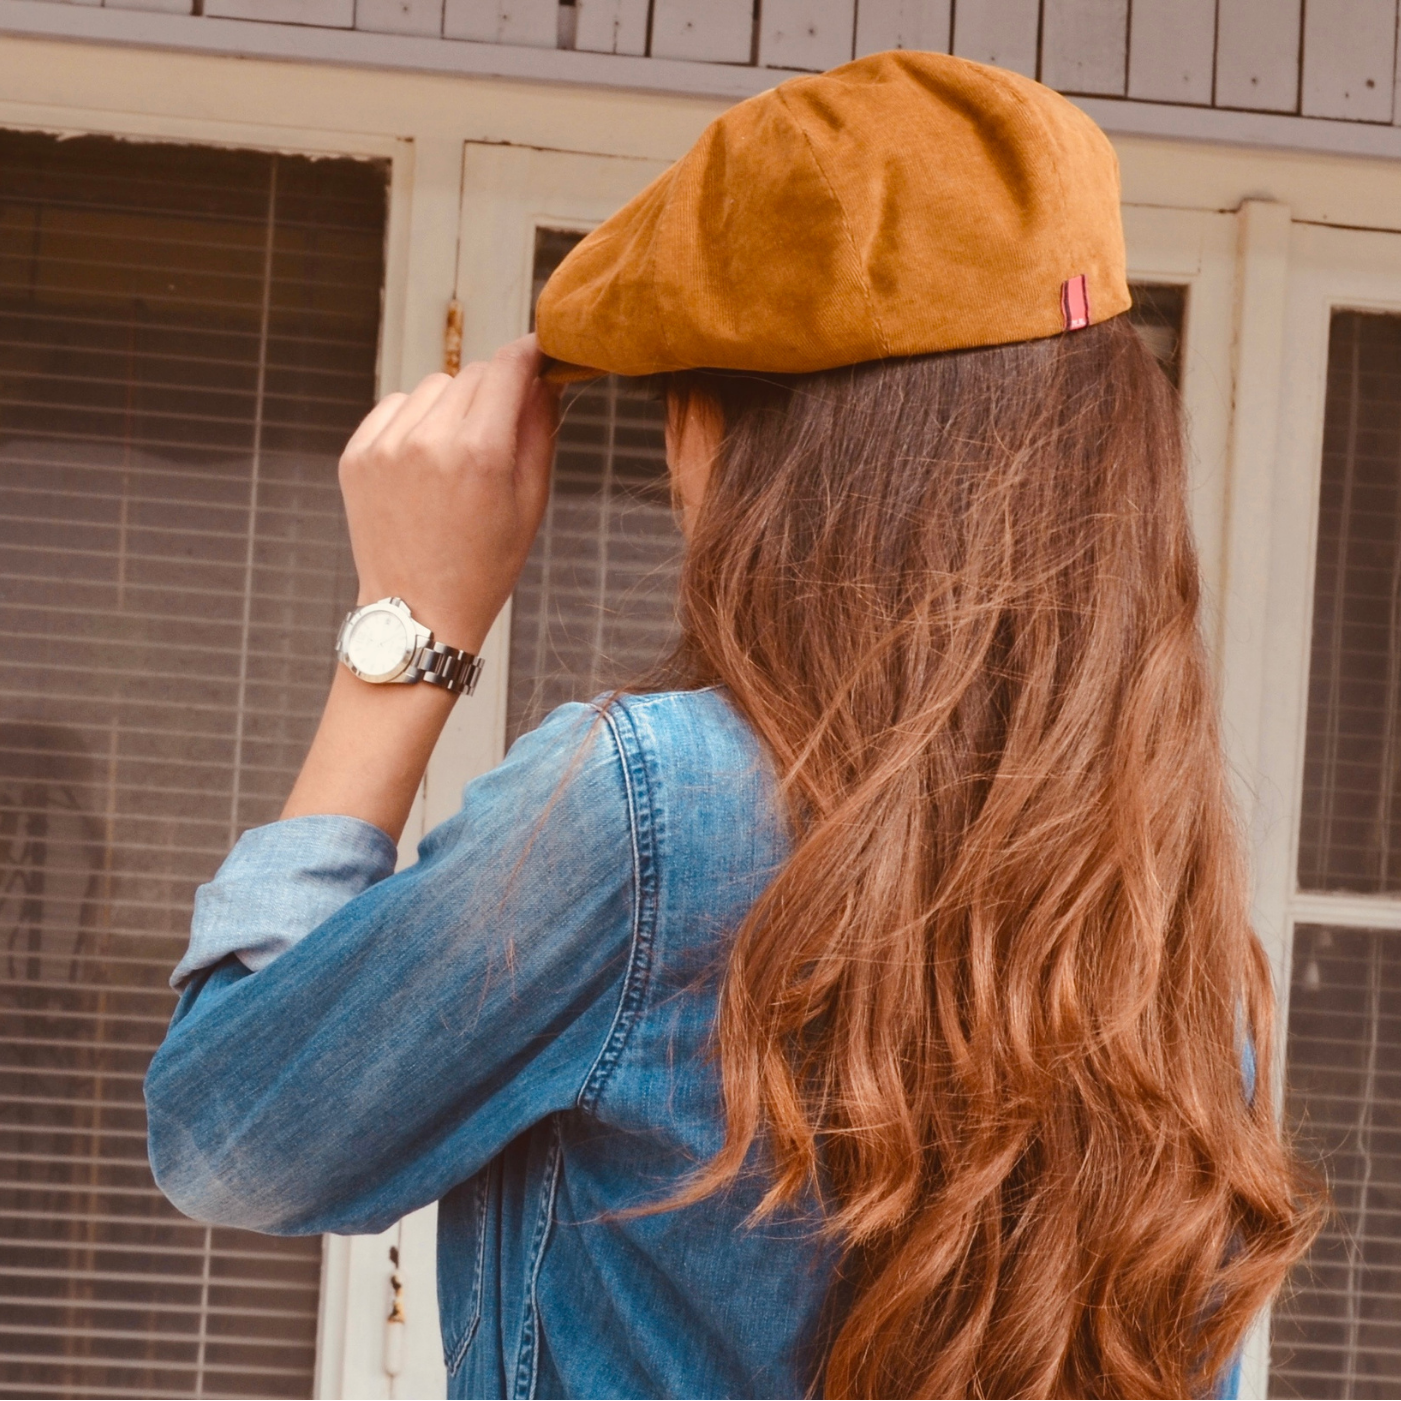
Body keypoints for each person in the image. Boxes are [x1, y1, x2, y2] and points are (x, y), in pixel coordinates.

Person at [146, 51, 1319, 1401]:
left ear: (731, 441)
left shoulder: (658, 811)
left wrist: (406, 633)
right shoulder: (1157, 906)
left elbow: (234, 1138)